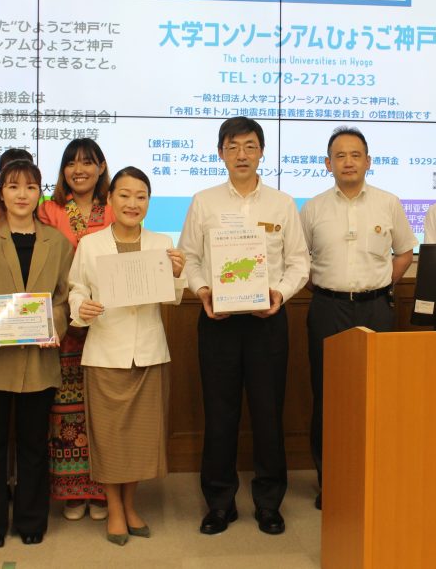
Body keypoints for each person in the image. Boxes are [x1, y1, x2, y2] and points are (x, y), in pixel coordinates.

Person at [179, 116, 310, 536]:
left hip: (267, 322)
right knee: (220, 414)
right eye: (233, 146)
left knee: (269, 414)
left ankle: (269, 503)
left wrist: (280, 294)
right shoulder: (203, 201)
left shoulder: (282, 204)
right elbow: (190, 258)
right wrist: (202, 291)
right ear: (220, 153)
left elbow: (298, 262)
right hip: (217, 320)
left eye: (250, 146)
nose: (241, 154)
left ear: (262, 152)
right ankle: (219, 503)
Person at [0, 160, 73, 549]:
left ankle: (31, 520)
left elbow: (63, 297)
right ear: (1, 193)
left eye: (30, 187)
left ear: (40, 193)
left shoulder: (56, 242)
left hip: (38, 362)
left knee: (34, 446)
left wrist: (53, 325)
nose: (22, 194)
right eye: (13, 186)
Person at [68, 166, 186, 545]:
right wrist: (81, 307)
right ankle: (115, 509)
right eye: (124, 194)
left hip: (148, 353)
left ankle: (131, 504)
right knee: (109, 438)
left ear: (149, 202)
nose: (133, 203)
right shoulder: (90, 244)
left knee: (139, 438)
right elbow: (76, 289)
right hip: (105, 353)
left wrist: (177, 274)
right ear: (109, 199)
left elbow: (174, 298)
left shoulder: (161, 242)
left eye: (141, 196)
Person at [300, 127, 416, 510]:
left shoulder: (388, 203)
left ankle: (375, 479)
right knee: (327, 396)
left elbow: (404, 252)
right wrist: (327, 288)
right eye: (340, 155)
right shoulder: (313, 208)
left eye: (355, 155)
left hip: (376, 308)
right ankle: (330, 482)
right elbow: (299, 260)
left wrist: (381, 284)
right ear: (327, 163)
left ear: (368, 161)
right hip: (327, 308)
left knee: (378, 397)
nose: (348, 162)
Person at [39, 138, 113, 520]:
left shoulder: (114, 207)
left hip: (108, 320)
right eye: (71, 163)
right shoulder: (49, 209)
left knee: (102, 407)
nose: (79, 170)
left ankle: (101, 489)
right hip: (63, 322)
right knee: (65, 407)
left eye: (87, 162)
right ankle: (72, 489)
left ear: (102, 168)